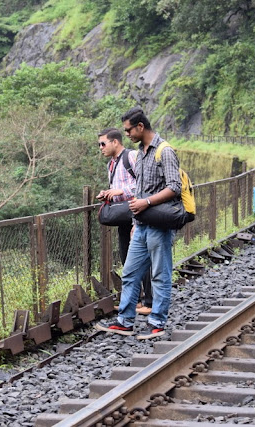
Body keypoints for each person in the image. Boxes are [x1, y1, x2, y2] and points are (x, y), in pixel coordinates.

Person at [96, 107, 181, 340]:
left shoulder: (164, 151)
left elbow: (175, 187)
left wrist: (146, 202)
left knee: (160, 274)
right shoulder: (141, 153)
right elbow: (139, 188)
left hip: (159, 223)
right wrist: (135, 220)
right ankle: (125, 321)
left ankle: (157, 323)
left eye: (128, 130)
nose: (127, 134)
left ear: (140, 127)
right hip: (141, 225)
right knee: (130, 273)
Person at [96, 128, 152, 315]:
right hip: (123, 216)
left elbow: (146, 185)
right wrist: (108, 194)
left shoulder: (132, 157)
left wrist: (122, 192)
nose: (101, 148)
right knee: (126, 258)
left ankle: (150, 302)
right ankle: (133, 301)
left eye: (103, 143)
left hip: (138, 214)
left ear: (115, 142)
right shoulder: (111, 165)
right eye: (99, 145)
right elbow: (117, 190)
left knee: (142, 258)